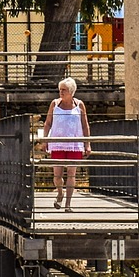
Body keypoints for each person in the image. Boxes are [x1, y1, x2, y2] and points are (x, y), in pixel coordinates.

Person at [40, 77, 91, 211]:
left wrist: (87, 144)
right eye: (60, 90)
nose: (61, 92)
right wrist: (45, 140)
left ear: (71, 91)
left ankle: (68, 204)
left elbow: (85, 125)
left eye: (64, 90)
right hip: (57, 144)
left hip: (74, 144)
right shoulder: (55, 104)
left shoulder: (79, 105)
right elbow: (48, 123)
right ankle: (60, 193)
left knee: (71, 173)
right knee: (57, 175)